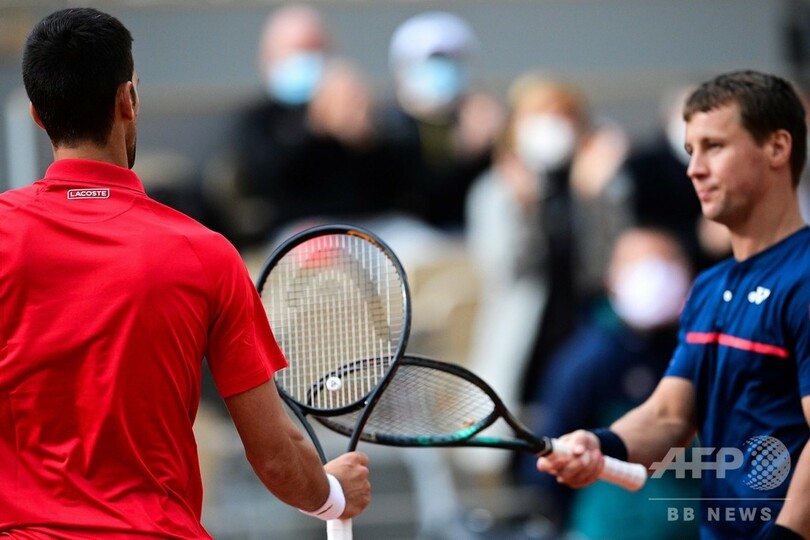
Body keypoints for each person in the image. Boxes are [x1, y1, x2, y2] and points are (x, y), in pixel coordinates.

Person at [0, 7, 370, 538]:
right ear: (128, 99)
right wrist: (333, 494)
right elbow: (276, 458)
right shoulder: (206, 254)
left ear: (37, 114)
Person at [537, 70, 810, 539]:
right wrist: (602, 443)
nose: (694, 168)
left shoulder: (804, 277)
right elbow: (670, 415)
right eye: (690, 151)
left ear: (777, 149)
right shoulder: (707, 287)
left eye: (714, 147)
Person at [518, 227, 699, 539]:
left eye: (666, 262)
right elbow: (550, 466)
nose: (654, 277)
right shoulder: (587, 359)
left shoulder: (707, 349)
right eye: (639, 264)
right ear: (612, 277)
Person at [224, 4, 398, 248]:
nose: (306, 59)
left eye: (314, 49)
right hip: (300, 231)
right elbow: (264, 180)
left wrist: (366, 138)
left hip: (370, 226)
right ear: (268, 58)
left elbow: (395, 184)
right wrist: (314, 128)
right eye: (297, 50)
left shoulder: (360, 108)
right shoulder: (259, 119)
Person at [381, 10, 504, 232]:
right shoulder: (386, 127)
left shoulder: (485, 120)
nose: (438, 72)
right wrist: (464, 154)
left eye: (448, 62)